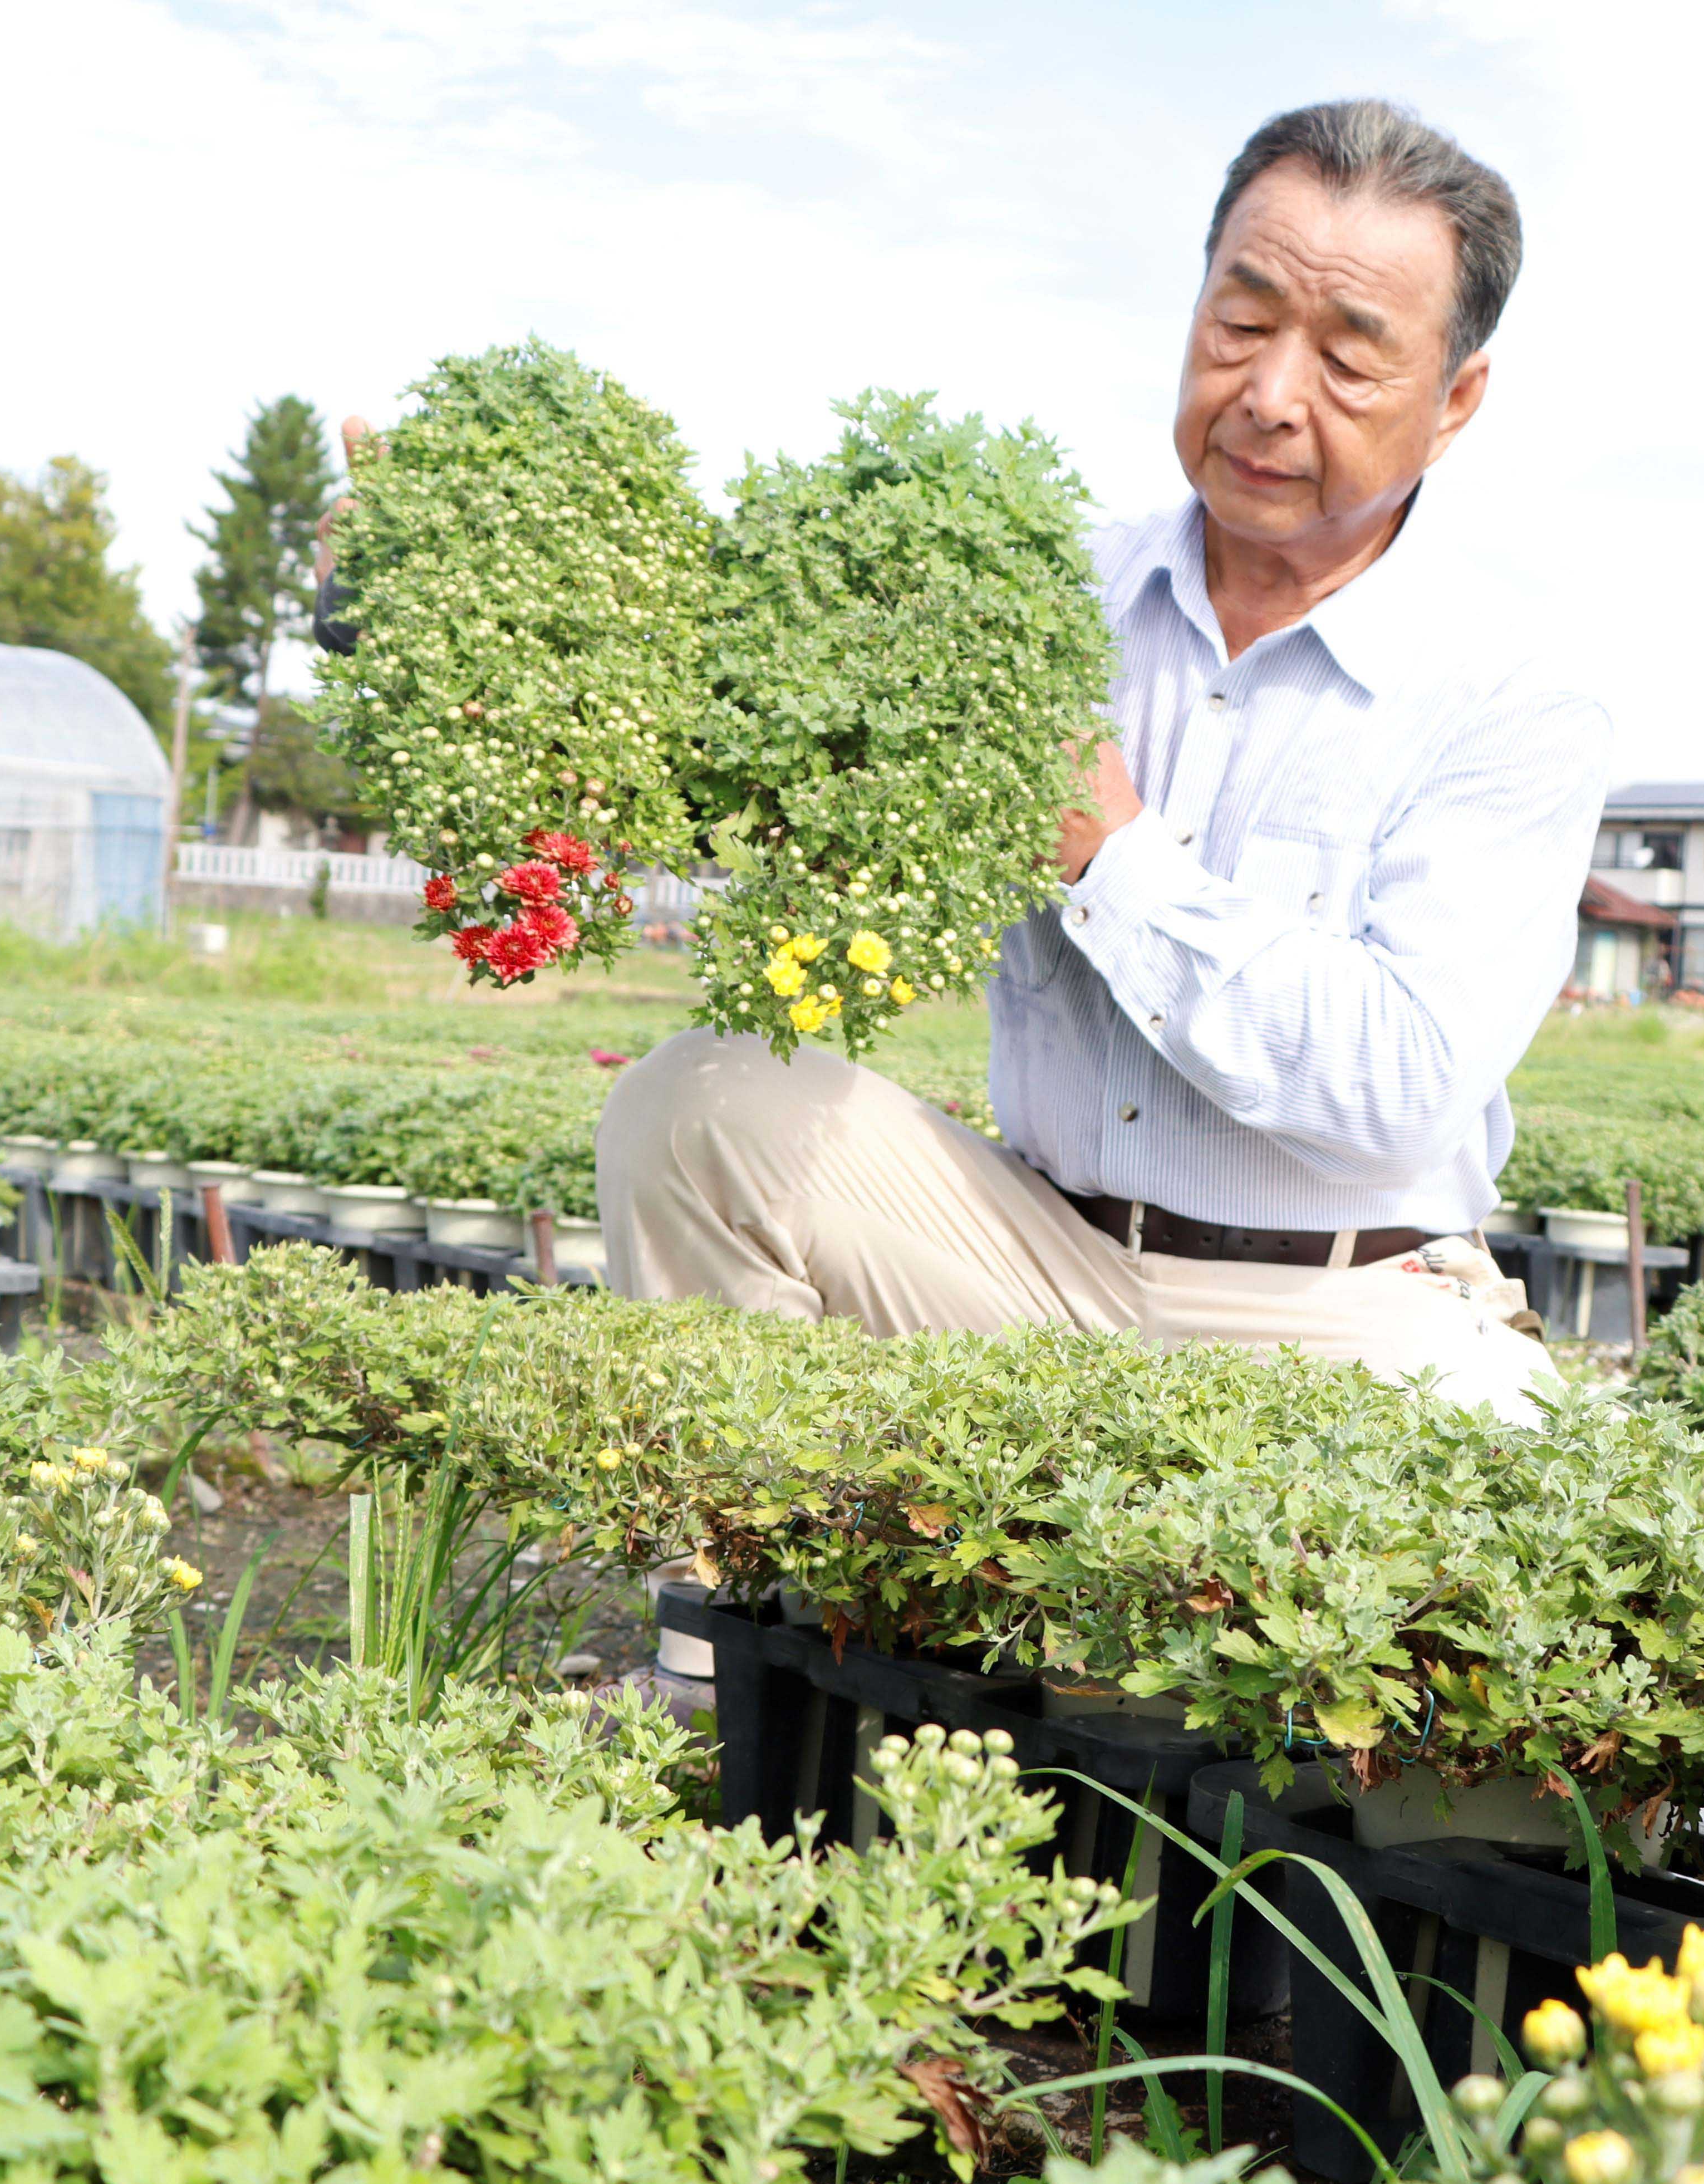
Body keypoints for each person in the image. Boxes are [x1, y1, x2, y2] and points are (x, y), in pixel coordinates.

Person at [595, 99, 1608, 1424]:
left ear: (1453, 399)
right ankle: (747, 1609)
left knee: (1529, 1511)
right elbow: (739, 768)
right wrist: (445, 609)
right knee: (699, 1106)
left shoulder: (1511, 698)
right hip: (1029, 1264)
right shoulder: (1031, 592)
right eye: (1238, 325)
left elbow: (1399, 1089)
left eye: (1348, 359)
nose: (1267, 395)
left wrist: (1114, 855)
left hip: (1346, 1308)